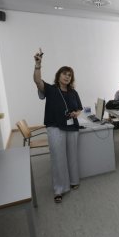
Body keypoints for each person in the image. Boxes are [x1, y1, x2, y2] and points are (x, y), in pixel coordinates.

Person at [33, 49, 83, 204]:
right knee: (58, 157)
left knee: (72, 155)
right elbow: (37, 81)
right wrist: (37, 66)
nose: (67, 77)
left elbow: (79, 109)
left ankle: (74, 180)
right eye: (64, 74)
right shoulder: (51, 89)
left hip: (72, 127)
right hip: (55, 126)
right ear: (58, 75)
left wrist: (76, 113)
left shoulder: (73, 92)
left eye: (69, 75)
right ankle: (59, 189)